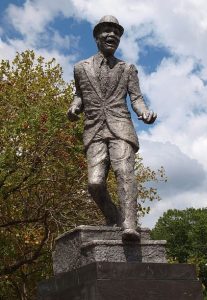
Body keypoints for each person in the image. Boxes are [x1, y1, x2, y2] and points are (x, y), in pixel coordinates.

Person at [67, 15, 157, 241]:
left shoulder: (127, 69)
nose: (112, 35)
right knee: (95, 183)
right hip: (94, 128)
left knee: (125, 173)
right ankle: (114, 216)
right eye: (107, 31)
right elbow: (79, 95)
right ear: (97, 36)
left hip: (121, 127)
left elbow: (136, 98)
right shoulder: (80, 68)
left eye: (116, 32)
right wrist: (74, 107)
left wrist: (144, 113)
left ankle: (129, 225)